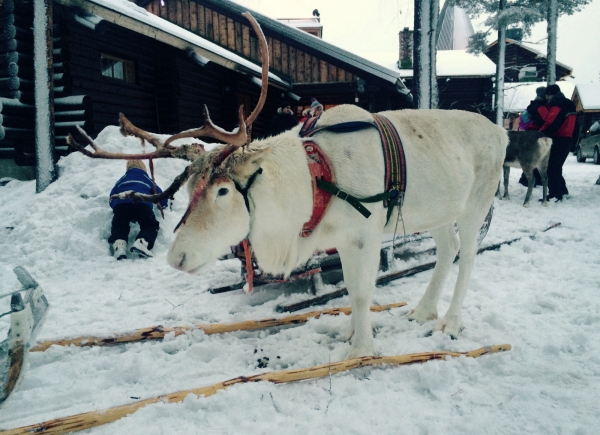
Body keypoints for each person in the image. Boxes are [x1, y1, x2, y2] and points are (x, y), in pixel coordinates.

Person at [108, 160, 168, 260]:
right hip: (141, 203)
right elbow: (159, 194)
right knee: (150, 225)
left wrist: (116, 207)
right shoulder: (146, 178)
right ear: (144, 168)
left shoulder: (122, 179)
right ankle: (142, 242)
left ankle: (119, 247)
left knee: (119, 227)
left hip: (121, 205)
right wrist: (164, 205)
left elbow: (112, 196)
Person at [538, 84, 577, 202]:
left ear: (554, 94)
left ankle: (555, 194)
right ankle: (562, 191)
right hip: (567, 139)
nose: (547, 98)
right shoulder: (570, 104)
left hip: (558, 139)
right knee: (557, 167)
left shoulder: (558, 105)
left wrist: (541, 134)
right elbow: (576, 125)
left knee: (552, 167)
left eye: (548, 95)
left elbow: (552, 123)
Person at [518, 86, 548, 187]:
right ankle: (529, 180)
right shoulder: (540, 106)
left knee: (531, 157)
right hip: (535, 134)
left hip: (529, 134)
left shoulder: (532, 105)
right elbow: (544, 121)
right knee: (536, 157)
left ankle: (526, 179)